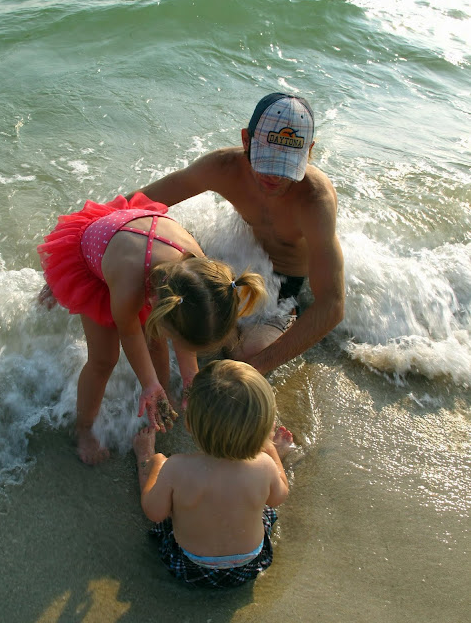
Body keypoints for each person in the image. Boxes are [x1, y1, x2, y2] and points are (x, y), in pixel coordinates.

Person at [37, 193, 267, 465]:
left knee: (155, 340)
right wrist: (148, 385)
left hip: (135, 240)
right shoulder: (130, 286)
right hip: (96, 256)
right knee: (104, 360)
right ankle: (84, 428)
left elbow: (185, 328)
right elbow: (129, 332)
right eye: (175, 335)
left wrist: (190, 376)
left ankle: (162, 394)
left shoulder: (201, 277)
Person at [126, 92, 345, 375]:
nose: (274, 176)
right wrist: (79, 242)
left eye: (285, 166)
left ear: (309, 151)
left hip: (280, 285)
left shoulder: (314, 200)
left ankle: (277, 322)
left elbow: (332, 304)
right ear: (246, 140)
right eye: (266, 162)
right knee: (159, 302)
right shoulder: (224, 167)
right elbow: (138, 203)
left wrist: (257, 366)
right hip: (228, 264)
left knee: (242, 357)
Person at [133, 359, 294, 588]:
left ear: (190, 423)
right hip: (250, 565)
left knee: (165, 490)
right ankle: (269, 447)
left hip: (189, 566)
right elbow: (278, 497)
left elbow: (154, 512)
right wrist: (270, 452)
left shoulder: (176, 468)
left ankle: (144, 455)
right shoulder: (265, 466)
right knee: (263, 504)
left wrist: (155, 463)